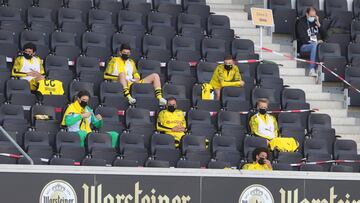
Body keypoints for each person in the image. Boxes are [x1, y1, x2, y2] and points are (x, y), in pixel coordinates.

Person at [296, 7, 323, 77]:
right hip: (304, 47)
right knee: (314, 45)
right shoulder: (301, 22)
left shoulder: (316, 22)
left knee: (319, 46)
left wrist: (319, 25)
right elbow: (302, 38)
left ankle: (320, 71)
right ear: (307, 14)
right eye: (311, 16)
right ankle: (311, 70)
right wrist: (315, 42)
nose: (313, 18)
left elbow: (325, 36)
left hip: (316, 47)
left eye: (314, 16)